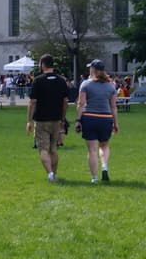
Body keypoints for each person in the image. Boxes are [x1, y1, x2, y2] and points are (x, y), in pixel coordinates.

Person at [27, 54, 70, 183]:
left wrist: (29, 120)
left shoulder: (38, 81)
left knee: (43, 149)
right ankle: (54, 173)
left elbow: (32, 102)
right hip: (56, 119)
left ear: (42, 65)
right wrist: (62, 118)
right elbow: (65, 102)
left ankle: (50, 173)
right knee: (53, 149)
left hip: (41, 120)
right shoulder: (61, 80)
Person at [76, 60, 119, 183]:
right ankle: (104, 166)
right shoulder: (111, 86)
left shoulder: (85, 84)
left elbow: (81, 103)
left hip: (90, 118)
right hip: (106, 119)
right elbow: (113, 107)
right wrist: (116, 123)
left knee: (92, 150)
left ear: (93, 70)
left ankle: (94, 178)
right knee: (104, 146)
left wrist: (78, 120)